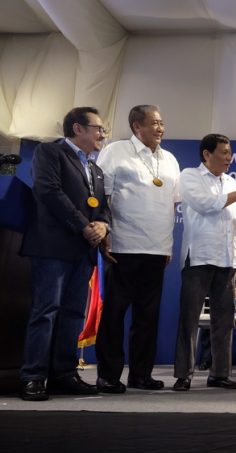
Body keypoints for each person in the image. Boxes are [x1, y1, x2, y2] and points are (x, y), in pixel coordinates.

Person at [19, 107, 110, 400]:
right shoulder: (50, 153)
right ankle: (34, 376)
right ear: (77, 129)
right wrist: (84, 226)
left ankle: (65, 374)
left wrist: (103, 225)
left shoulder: (95, 169)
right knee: (46, 312)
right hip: (52, 248)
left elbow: (103, 205)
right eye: (98, 128)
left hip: (82, 251)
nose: (102, 134)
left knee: (73, 314)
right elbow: (49, 191)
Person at [95, 104, 180, 393]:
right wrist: (104, 233)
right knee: (115, 314)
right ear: (136, 126)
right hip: (122, 246)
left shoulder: (169, 159)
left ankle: (141, 375)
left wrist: (167, 244)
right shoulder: (115, 151)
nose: (161, 128)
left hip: (156, 249)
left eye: (162, 122)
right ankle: (108, 375)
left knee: (148, 316)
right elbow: (100, 195)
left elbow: (171, 203)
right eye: (155, 123)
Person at [172, 141, 236, 392]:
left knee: (224, 321)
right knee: (189, 319)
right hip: (198, 257)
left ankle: (219, 374)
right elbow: (207, 205)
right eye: (224, 153)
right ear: (206, 154)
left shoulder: (231, 182)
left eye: (230, 153)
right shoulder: (190, 176)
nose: (229, 157)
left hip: (226, 259)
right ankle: (183, 375)